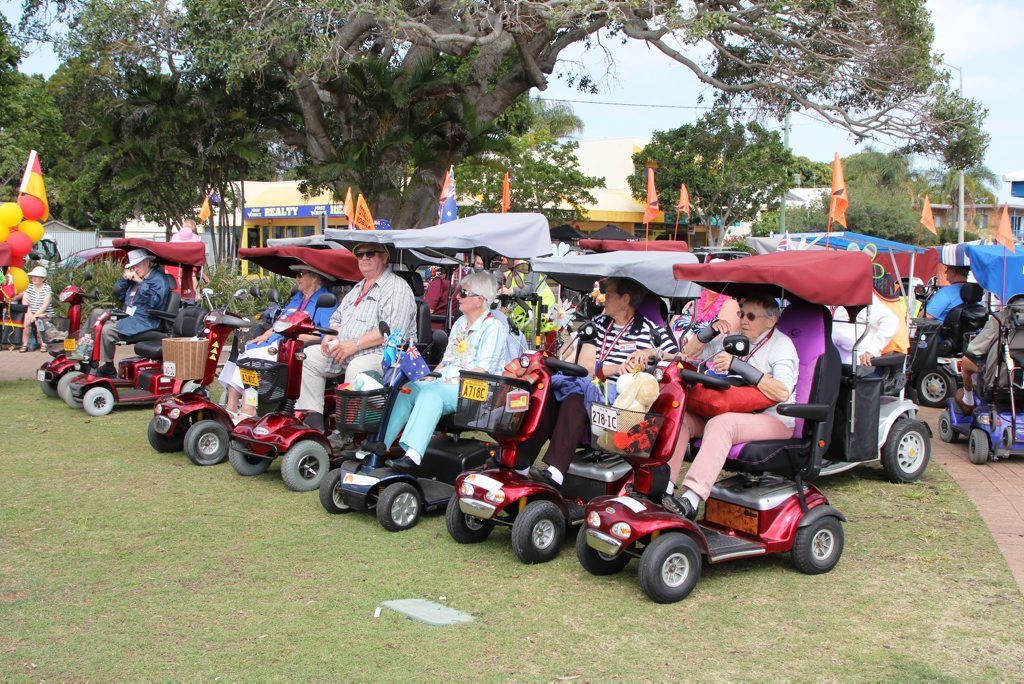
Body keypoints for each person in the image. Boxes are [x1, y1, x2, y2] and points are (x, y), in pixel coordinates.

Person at [521, 277, 678, 488]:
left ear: (625, 299)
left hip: (619, 403)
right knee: (548, 396)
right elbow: (585, 367)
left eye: (609, 294)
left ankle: (556, 472)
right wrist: (614, 368)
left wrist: (652, 351)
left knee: (574, 398)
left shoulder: (649, 330)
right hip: (590, 388)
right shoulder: (597, 324)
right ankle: (521, 465)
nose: (603, 298)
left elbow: (679, 356)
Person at [663, 293, 799, 520]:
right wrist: (710, 331)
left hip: (775, 417)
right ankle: (664, 488)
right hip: (735, 409)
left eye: (751, 316)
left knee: (721, 423)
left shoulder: (781, 345)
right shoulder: (737, 336)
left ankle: (692, 498)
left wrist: (739, 366)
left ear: (771, 320)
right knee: (682, 418)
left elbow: (782, 391)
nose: (744, 320)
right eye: (741, 314)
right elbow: (687, 354)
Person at [382, 272, 508, 472]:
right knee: (407, 388)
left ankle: (413, 456)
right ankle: (382, 447)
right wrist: (429, 376)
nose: (458, 296)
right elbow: (447, 360)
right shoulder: (459, 323)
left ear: (480, 300)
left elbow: (484, 369)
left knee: (431, 393)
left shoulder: (493, 327)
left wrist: (453, 380)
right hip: (447, 381)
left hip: (476, 387)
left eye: (464, 293)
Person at [295, 243, 417, 433]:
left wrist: (354, 344)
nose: (364, 258)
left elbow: (394, 330)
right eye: (359, 255)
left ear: (385, 257)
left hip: (386, 355)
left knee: (357, 367)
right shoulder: (358, 288)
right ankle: (313, 423)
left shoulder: (395, 288)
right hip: (347, 349)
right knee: (306, 356)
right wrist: (330, 335)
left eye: (370, 253)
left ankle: (347, 433)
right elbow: (336, 318)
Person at [218, 265, 333, 418]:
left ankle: (249, 408)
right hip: (275, 342)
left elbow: (323, 334)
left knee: (252, 359)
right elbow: (281, 321)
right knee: (247, 349)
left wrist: (296, 335)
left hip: (291, 346)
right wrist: (266, 335)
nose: (296, 278)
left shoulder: (324, 300)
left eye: (300, 274)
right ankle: (231, 408)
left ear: (314, 277)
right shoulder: (298, 297)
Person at [96, 249, 170, 378]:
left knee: (107, 330)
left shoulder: (158, 279)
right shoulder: (135, 278)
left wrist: (141, 283)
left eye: (137, 265)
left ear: (147, 262)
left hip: (145, 320)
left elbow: (155, 303)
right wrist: (125, 279)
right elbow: (119, 295)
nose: (135, 269)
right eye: (133, 266)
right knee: (96, 314)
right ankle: (85, 356)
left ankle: (108, 366)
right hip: (128, 315)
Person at [954, 293, 1024, 414]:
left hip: (1003, 379)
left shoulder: (1000, 318)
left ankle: (968, 400)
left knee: (966, 360)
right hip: (1018, 374)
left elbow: (974, 349)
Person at [672, 285, 740, 351]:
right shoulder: (692, 302)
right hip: (669, 354)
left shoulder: (731, 305)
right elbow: (669, 329)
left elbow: (722, 345)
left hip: (695, 358)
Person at [19, 266, 54, 352]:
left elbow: (44, 305)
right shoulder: (29, 287)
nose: (33, 278)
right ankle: (25, 344)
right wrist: (30, 313)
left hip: (44, 312)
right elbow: (25, 302)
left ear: (42, 278)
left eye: (36, 277)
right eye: (33, 276)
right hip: (30, 310)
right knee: (26, 324)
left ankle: (44, 343)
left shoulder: (47, 288)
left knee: (39, 323)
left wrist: (35, 316)